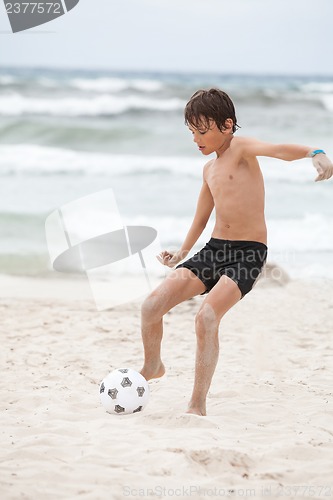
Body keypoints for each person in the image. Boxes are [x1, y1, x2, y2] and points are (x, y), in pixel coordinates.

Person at [139, 88, 333, 416]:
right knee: (150, 306)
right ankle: (153, 364)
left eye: (202, 131)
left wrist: (314, 152)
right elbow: (202, 217)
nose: (196, 139)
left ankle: (197, 404)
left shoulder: (241, 148)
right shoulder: (209, 170)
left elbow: (278, 150)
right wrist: (182, 253)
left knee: (207, 317)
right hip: (213, 250)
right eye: (192, 133)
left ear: (226, 126)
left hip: (249, 253)